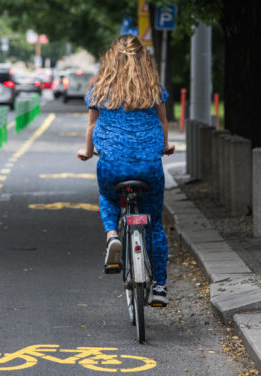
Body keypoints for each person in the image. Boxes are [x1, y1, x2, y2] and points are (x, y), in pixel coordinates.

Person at [77, 34, 175, 306]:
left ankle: (112, 236)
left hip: (113, 166)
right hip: (148, 166)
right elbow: (163, 122)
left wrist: (87, 152)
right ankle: (159, 288)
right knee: (154, 223)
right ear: (144, 60)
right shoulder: (154, 88)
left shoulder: (100, 89)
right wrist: (165, 146)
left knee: (108, 198)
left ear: (110, 60)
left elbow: (91, 126)